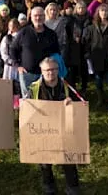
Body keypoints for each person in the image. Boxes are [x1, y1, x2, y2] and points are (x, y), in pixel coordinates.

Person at [31, 56, 84, 195]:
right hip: (43, 131)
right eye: (47, 70)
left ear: (58, 70)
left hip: (64, 130)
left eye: (54, 69)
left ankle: (72, 186)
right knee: (44, 161)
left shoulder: (68, 86)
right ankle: (49, 184)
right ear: (42, 71)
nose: (51, 72)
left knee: (68, 159)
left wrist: (71, 102)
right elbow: (26, 108)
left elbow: (81, 105)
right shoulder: (34, 88)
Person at [11, 5, 60, 96]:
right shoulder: (24, 32)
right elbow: (13, 49)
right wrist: (17, 66)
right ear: (31, 17)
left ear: (45, 17)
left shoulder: (51, 34)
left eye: (41, 15)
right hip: (27, 73)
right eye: (35, 15)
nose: (38, 18)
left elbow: (56, 53)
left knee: (44, 98)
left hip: (46, 74)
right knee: (28, 100)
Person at [83, 3, 108, 104]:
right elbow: (87, 42)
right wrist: (87, 53)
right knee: (98, 80)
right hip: (96, 57)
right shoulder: (92, 27)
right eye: (102, 11)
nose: (104, 13)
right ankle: (100, 99)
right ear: (98, 13)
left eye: (106, 11)